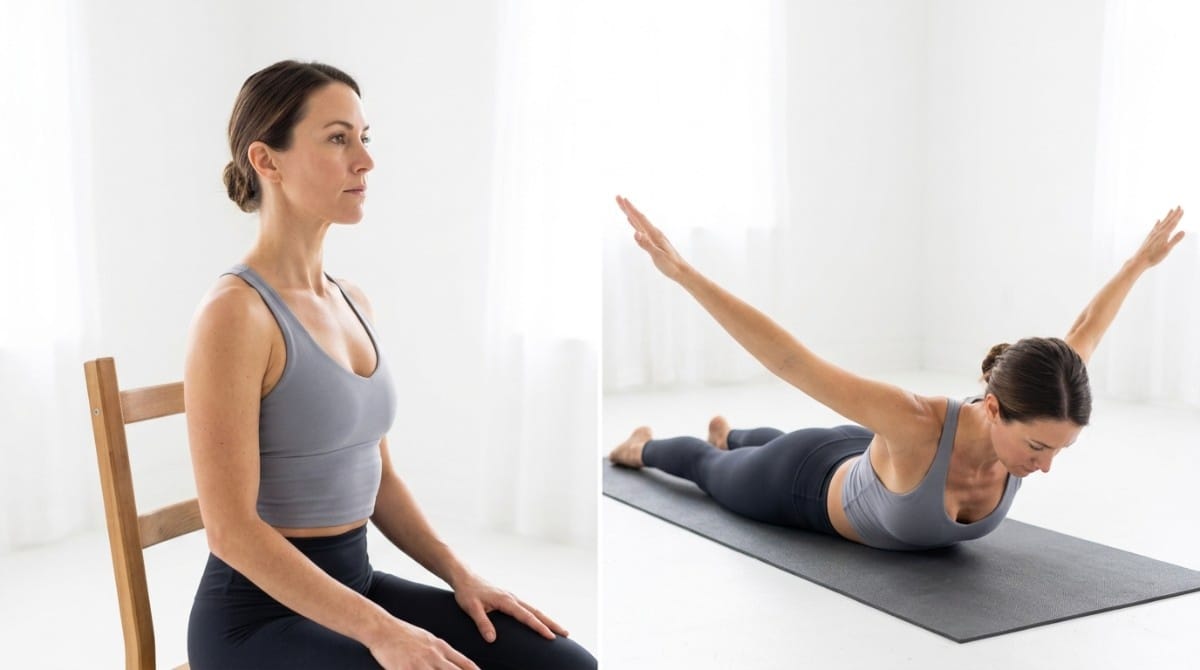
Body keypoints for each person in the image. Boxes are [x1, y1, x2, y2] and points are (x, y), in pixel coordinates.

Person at [184, 60, 595, 669]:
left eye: (363, 138)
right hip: (254, 620)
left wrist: (463, 576)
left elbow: (380, 478)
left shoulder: (352, 299)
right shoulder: (234, 316)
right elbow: (231, 533)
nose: (365, 161)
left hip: (357, 587)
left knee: (565, 665)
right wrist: (383, 633)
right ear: (266, 160)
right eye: (336, 138)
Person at [608, 195, 1186, 551]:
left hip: (866, 454)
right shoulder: (914, 423)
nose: (1045, 466)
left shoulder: (1046, 395)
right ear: (992, 408)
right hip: (803, 484)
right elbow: (789, 361)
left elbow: (1086, 329)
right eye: (1037, 448)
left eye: (1058, 451)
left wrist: (1138, 262)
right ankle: (646, 447)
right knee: (713, 471)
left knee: (790, 443)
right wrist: (682, 273)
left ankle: (734, 432)